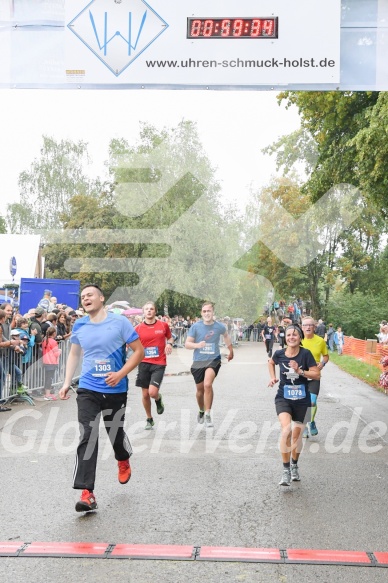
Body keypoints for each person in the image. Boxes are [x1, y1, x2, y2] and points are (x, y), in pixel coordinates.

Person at [58, 284, 144, 513]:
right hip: (87, 388)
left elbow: (139, 351)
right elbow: (75, 353)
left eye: (90, 295)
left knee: (115, 433)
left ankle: (123, 457)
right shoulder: (80, 324)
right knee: (88, 435)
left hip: (115, 389)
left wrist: (120, 374)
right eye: (83, 296)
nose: (85, 298)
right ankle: (87, 493)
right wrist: (67, 382)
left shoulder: (120, 323)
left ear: (101, 298)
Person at [268, 324, 320, 486]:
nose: (291, 337)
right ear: (285, 337)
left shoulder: (306, 354)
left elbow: (317, 375)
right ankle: (285, 470)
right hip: (283, 398)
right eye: (289, 334)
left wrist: (300, 372)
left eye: (295, 335)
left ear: (300, 338)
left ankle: (294, 465)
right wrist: (273, 377)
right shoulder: (279, 354)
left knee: (297, 436)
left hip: (303, 401)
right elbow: (270, 363)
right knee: (286, 430)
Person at [185, 302, 233, 428]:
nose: (207, 313)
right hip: (198, 361)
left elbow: (226, 336)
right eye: (204, 311)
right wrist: (197, 345)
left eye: (209, 311)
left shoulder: (219, 327)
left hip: (213, 359)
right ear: (201, 313)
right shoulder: (195, 327)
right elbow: (187, 344)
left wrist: (231, 350)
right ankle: (201, 409)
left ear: (213, 313)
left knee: (207, 384)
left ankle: (207, 413)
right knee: (199, 391)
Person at [135, 301, 173, 429]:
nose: (149, 311)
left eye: (151, 309)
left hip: (159, 363)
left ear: (155, 311)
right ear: (143, 312)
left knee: (152, 392)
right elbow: (131, 342)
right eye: (147, 309)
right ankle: (149, 418)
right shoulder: (138, 328)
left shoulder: (163, 325)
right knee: (145, 394)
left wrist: (169, 344)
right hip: (144, 363)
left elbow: (170, 337)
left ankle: (158, 399)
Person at [301, 316, 329, 437]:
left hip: (314, 375)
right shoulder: (298, 340)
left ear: (314, 327)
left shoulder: (320, 341)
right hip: (300, 375)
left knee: (312, 401)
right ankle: (303, 425)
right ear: (302, 328)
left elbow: (326, 356)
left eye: (310, 325)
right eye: (305, 325)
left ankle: (310, 422)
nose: (308, 327)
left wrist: (322, 363)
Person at [42, 326, 61, 400]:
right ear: (54, 333)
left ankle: (47, 393)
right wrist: (60, 351)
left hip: (46, 361)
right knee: (49, 378)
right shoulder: (53, 342)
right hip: (52, 362)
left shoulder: (45, 340)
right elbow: (56, 353)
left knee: (47, 378)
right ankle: (47, 395)